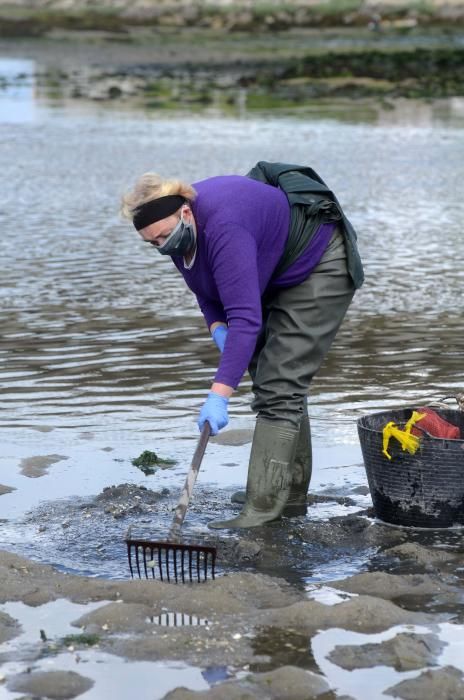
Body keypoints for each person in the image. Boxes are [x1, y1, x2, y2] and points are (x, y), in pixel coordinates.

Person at [121, 162, 363, 530]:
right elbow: (204, 286)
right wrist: (217, 326)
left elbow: (247, 320)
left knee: (280, 383)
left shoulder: (223, 228)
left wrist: (219, 394)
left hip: (318, 261)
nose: (162, 247)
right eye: (152, 243)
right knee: (271, 375)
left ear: (186, 211)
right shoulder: (178, 234)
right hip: (271, 264)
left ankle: (263, 507)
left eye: (164, 237)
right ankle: (288, 494)